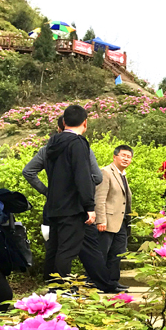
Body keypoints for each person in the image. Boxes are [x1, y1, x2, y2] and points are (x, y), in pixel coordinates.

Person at [43, 105, 98, 286]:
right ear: (85, 123)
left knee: (56, 248)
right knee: (67, 250)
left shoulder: (52, 143)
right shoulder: (78, 144)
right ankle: (62, 288)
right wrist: (89, 206)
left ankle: (53, 287)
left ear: (64, 122)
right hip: (72, 207)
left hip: (53, 206)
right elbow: (82, 177)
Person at [95, 145, 132, 286]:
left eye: (129, 157)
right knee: (101, 253)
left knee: (118, 252)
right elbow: (100, 198)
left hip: (121, 221)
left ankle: (112, 281)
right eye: (123, 155)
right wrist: (101, 220)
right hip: (107, 221)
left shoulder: (122, 175)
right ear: (115, 157)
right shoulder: (105, 172)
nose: (126, 159)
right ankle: (96, 281)